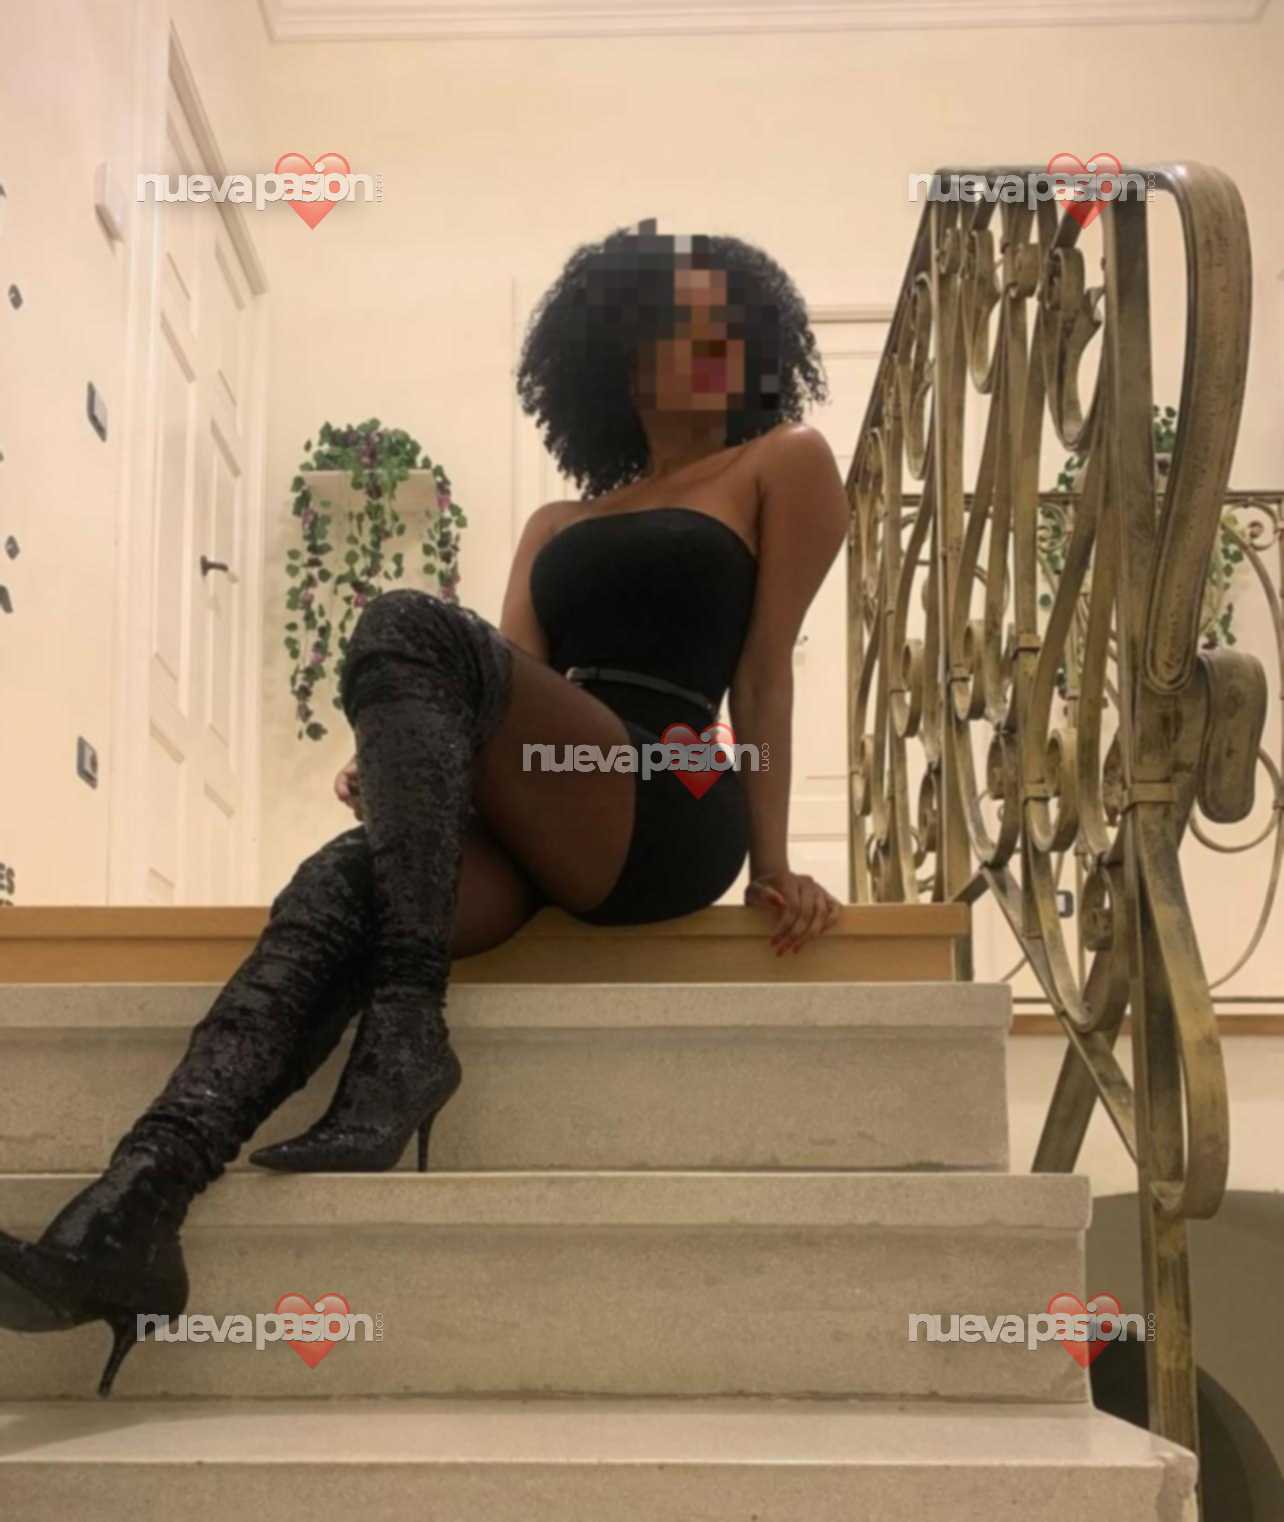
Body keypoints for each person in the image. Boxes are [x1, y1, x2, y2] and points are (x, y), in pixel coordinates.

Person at [0, 220, 850, 1397]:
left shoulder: (783, 463)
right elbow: (506, 681)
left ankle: (403, 1035)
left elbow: (763, 672)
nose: (707, 343)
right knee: (338, 884)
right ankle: (133, 1209)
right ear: (616, 354)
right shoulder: (556, 524)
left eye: (725, 325)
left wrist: (774, 858)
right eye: (675, 323)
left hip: (666, 791)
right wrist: (419, 762)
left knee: (403, 621)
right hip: (551, 794)